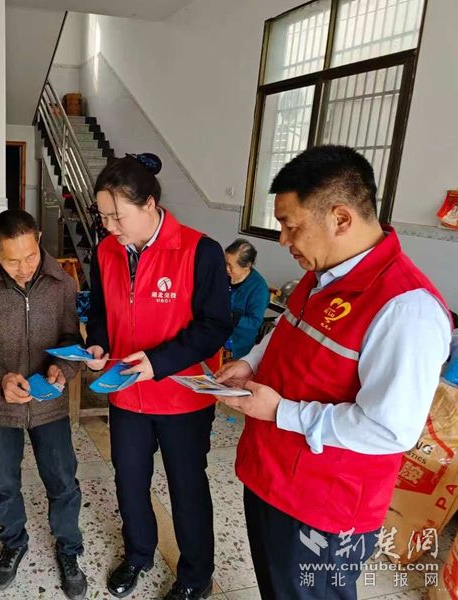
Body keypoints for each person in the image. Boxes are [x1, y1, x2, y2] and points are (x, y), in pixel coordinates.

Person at [215, 145, 453, 599]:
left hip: (322, 507)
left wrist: (281, 412)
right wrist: (251, 362)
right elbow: (288, 329)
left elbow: (390, 429)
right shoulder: (322, 273)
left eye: (291, 225)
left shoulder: (406, 310)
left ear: (341, 218)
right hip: (271, 475)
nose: (282, 240)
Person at [84, 153, 233, 600]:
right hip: (126, 393)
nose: (110, 226)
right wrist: (98, 344)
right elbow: (100, 312)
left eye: (118, 216)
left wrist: (158, 362)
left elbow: (214, 326)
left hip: (181, 397)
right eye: (103, 217)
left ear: (149, 204)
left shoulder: (200, 251)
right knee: (129, 480)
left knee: (187, 488)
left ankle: (195, 577)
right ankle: (138, 554)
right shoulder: (105, 252)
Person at [0, 209, 88, 600]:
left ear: (39, 240)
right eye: (12, 261)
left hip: (49, 404)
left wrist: (63, 367)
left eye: (30, 256)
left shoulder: (61, 282)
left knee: (62, 479)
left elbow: (72, 340)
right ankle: (13, 542)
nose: (25, 268)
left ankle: (69, 548)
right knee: (2, 482)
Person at [223, 239, 270, 359]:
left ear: (247, 266)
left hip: (237, 347)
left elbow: (254, 323)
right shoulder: (223, 277)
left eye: (230, 265)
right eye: (225, 263)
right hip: (216, 337)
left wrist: (230, 317)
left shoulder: (258, 288)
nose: (226, 268)